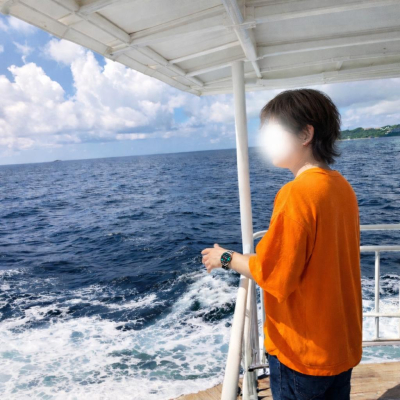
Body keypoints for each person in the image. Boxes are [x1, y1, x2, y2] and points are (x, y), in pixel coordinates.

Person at [200, 88, 362, 400]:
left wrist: (226, 258)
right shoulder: (342, 187)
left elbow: (274, 274)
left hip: (303, 353)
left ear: (305, 134)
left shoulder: (297, 194)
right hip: (340, 344)